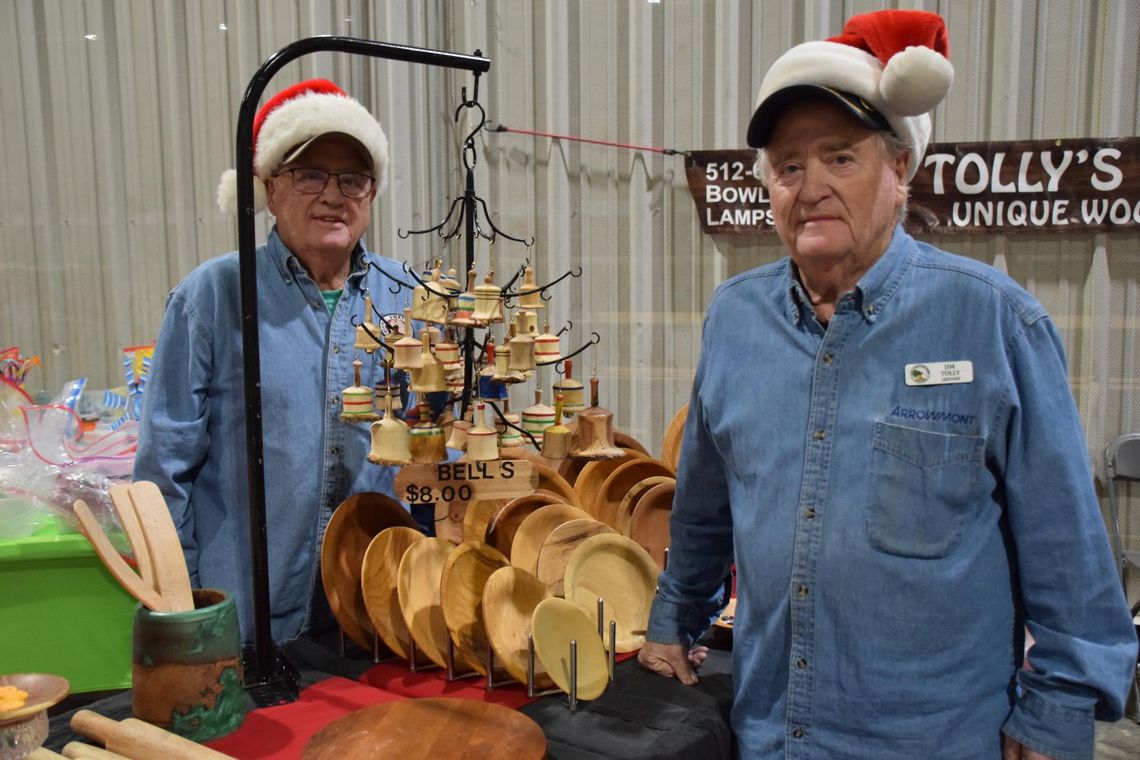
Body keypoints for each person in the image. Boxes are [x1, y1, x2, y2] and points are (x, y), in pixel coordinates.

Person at [639, 10, 1138, 760]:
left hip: (933, 740)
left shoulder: (993, 321)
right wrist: (675, 618)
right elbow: (705, 510)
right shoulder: (736, 319)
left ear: (900, 169)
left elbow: (1067, 553)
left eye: (840, 158)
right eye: (788, 166)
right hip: (771, 733)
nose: (810, 188)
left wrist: (1054, 715)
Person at [134, 79, 410, 644]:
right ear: (268, 188)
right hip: (247, 621)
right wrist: (188, 610)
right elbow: (165, 472)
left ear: (372, 193)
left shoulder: (407, 297)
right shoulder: (212, 297)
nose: (334, 197)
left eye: (353, 179)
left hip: (375, 614)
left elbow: (441, 442)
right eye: (310, 175)